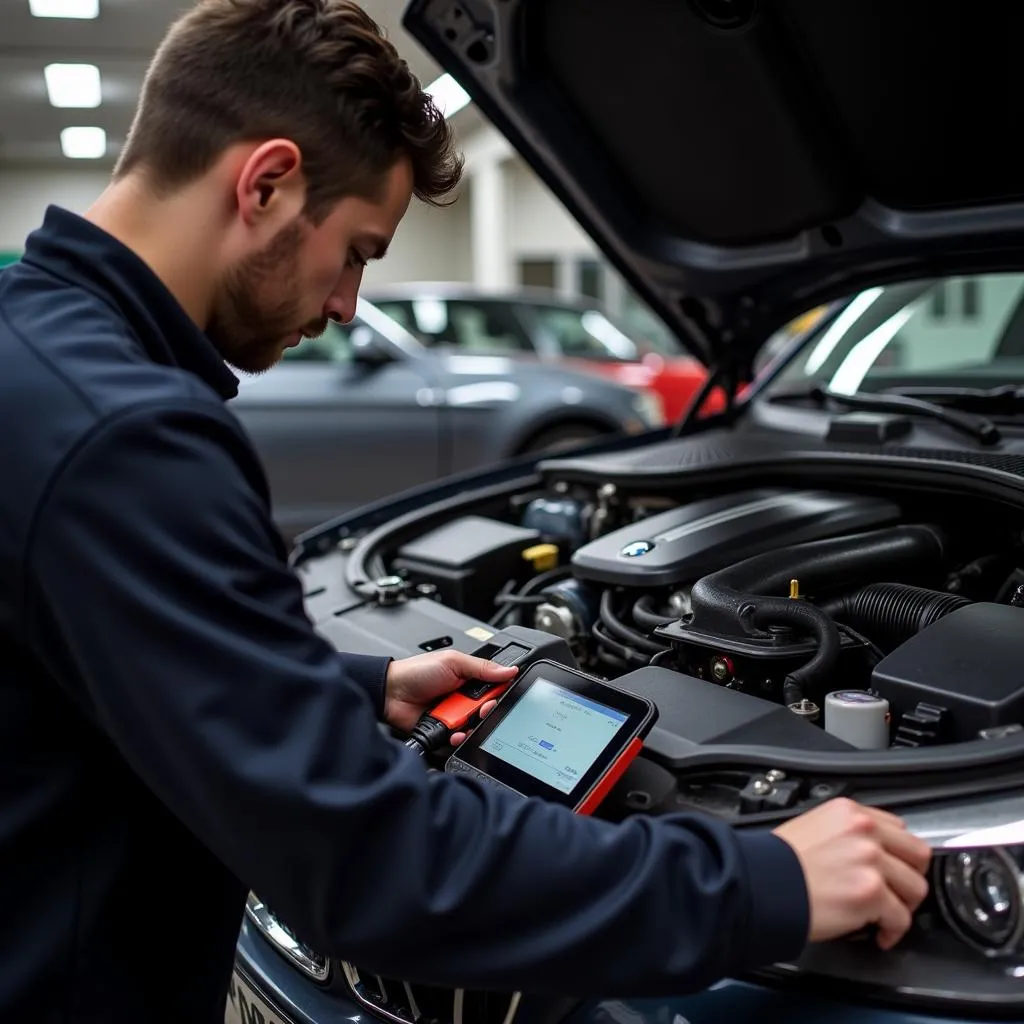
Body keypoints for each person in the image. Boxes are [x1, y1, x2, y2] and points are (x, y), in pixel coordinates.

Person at [0, 1, 932, 1021]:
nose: (349, 304)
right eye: (357, 250)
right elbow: (373, 865)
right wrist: (763, 881)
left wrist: (361, 687)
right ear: (264, 183)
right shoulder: (127, 440)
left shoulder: (37, 356)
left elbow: (102, 656)